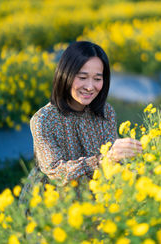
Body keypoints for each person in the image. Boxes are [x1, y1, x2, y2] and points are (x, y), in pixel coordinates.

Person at [20, 41, 142, 201]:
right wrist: (106, 159)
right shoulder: (43, 120)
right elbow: (57, 172)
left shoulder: (106, 112)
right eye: (82, 77)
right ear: (65, 75)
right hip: (53, 203)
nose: (90, 87)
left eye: (97, 79)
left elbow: (112, 158)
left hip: (97, 192)